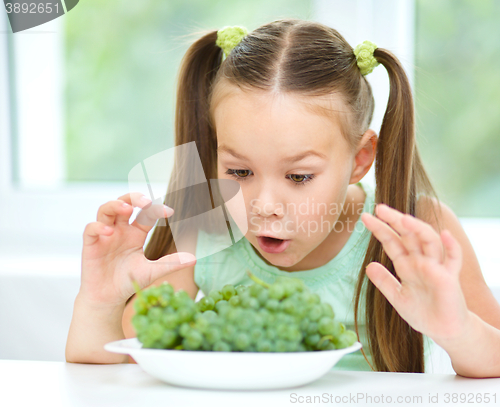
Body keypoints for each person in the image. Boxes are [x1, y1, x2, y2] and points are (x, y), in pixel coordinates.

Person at [66, 19, 500, 377]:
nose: (265, 204)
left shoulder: (417, 228)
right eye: (238, 171)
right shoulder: (207, 224)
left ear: (360, 158)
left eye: (298, 176)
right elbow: (112, 366)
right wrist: (100, 299)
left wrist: (457, 330)